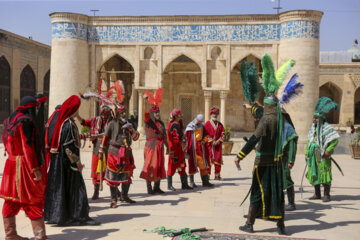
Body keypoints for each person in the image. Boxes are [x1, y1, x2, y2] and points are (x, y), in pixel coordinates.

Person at [235, 54, 296, 235]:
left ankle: (250, 224)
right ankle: (281, 226)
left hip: (262, 162)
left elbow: (253, 140)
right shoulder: (281, 121)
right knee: (277, 193)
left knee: (256, 192)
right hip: (277, 162)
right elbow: (292, 136)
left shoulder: (265, 121)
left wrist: (239, 156)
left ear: (267, 107)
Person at [44, 95, 99, 226]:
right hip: (69, 164)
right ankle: (81, 217)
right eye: (77, 109)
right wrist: (77, 163)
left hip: (61, 163)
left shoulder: (63, 122)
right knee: (78, 189)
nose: (78, 111)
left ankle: (65, 216)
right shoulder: (68, 124)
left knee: (64, 189)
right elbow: (68, 147)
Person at [1, 96, 49, 240]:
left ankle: (11, 235)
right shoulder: (26, 121)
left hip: (10, 164)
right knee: (32, 199)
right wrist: (35, 170)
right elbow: (28, 148)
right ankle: (40, 236)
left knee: (11, 200)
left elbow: (5, 141)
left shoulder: (8, 120)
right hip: (24, 166)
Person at [98, 105, 140, 208]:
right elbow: (105, 137)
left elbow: (135, 138)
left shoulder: (129, 124)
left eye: (125, 113)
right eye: (121, 113)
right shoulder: (112, 124)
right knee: (113, 177)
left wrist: (131, 130)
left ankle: (125, 196)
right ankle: (113, 200)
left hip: (126, 153)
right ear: (117, 115)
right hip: (114, 152)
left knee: (127, 175)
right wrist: (101, 150)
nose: (124, 115)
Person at [305, 96, 339, 202]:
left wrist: (328, 150)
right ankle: (317, 193)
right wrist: (306, 153)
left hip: (323, 155)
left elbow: (334, 140)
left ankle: (326, 195)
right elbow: (308, 142)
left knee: (324, 172)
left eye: (316, 118)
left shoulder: (327, 129)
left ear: (320, 119)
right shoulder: (312, 129)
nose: (314, 119)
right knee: (314, 173)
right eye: (313, 117)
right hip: (313, 155)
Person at [76, 105, 114, 200]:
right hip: (97, 149)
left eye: (106, 114)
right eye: (103, 114)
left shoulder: (113, 122)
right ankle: (96, 191)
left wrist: (96, 136)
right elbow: (84, 122)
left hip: (109, 149)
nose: (104, 116)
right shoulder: (95, 120)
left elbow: (110, 133)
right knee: (95, 171)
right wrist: (77, 115)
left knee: (111, 171)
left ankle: (115, 192)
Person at [140, 99, 169, 194]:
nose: (157, 113)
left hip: (159, 147)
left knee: (159, 166)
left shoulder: (161, 123)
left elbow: (164, 136)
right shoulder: (149, 122)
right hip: (151, 147)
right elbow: (146, 114)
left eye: (158, 112)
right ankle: (149, 188)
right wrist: (145, 104)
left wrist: (167, 147)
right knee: (150, 166)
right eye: (155, 112)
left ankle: (157, 187)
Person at [167, 109, 192, 191]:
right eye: (179, 115)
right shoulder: (172, 125)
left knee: (182, 165)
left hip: (180, 149)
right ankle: (169, 185)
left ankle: (184, 184)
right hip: (174, 149)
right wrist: (172, 149)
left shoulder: (179, 124)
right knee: (172, 166)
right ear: (175, 116)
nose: (181, 116)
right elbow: (172, 139)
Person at [185, 114, 214, 188]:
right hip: (192, 149)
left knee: (203, 165)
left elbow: (206, 135)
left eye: (201, 122)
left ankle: (205, 182)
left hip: (200, 149)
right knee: (192, 165)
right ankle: (191, 182)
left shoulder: (202, 126)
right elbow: (186, 139)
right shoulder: (190, 127)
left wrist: (204, 141)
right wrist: (186, 149)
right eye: (199, 122)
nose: (200, 123)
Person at [204, 107, 225, 180]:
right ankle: (207, 175)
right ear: (210, 114)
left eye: (216, 114)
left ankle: (217, 175)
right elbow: (205, 135)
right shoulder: (207, 124)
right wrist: (212, 141)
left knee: (218, 160)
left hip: (217, 146)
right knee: (209, 160)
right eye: (213, 114)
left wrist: (218, 141)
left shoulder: (220, 125)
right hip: (209, 145)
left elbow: (223, 134)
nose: (214, 115)